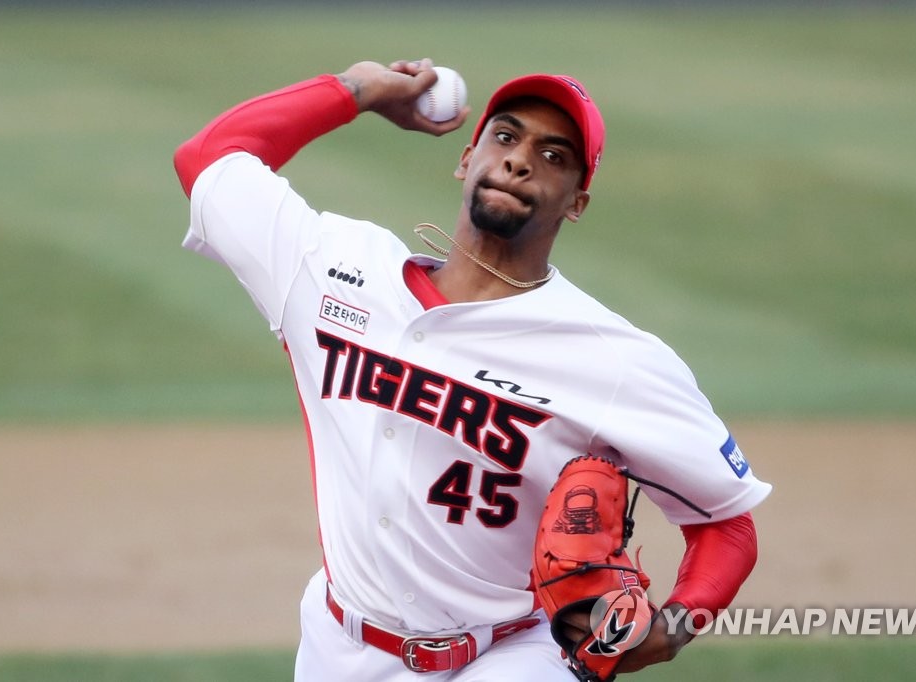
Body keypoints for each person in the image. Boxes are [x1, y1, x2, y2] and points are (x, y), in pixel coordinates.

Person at [173, 58, 772, 681]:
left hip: (513, 657)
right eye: (506, 138)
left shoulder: (616, 359)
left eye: (555, 156)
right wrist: (358, 91)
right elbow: (209, 160)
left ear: (578, 203)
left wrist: (675, 627)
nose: (519, 161)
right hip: (336, 648)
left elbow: (727, 524)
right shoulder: (334, 268)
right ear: (467, 157)